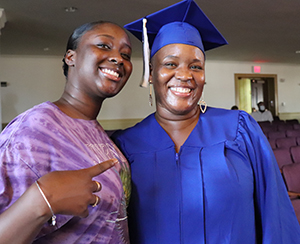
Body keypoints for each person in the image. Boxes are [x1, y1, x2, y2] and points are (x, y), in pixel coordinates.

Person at [112, 0, 300, 243]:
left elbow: (275, 214)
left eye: (196, 66)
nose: (184, 75)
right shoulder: (126, 144)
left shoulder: (239, 128)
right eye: (170, 64)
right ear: (150, 73)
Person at [0, 20, 132, 243]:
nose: (118, 59)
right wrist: (42, 200)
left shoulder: (97, 132)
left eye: (126, 55)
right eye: (104, 45)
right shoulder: (35, 128)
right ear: (70, 57)